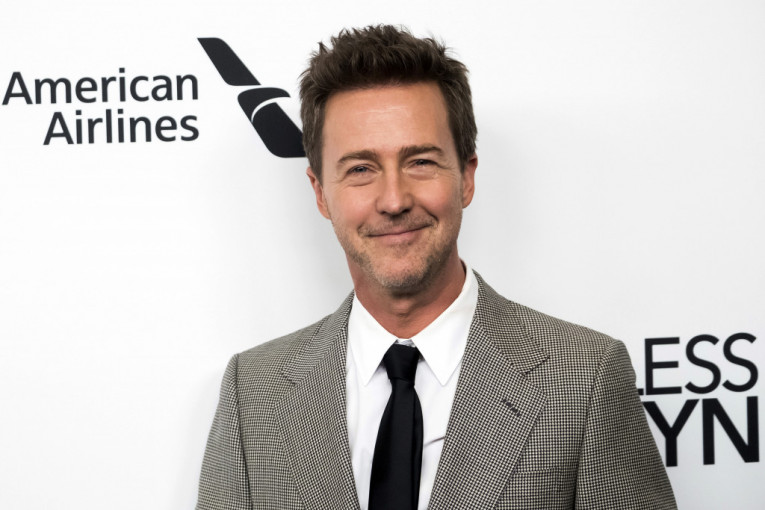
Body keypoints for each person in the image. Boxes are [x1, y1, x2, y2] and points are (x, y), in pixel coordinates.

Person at [196, 25, 677, 510]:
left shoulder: (585, 378)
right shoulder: (252, 391)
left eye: (421, 162)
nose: (394, 200)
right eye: (360, 169)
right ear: (321, 193)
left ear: (466, 177)